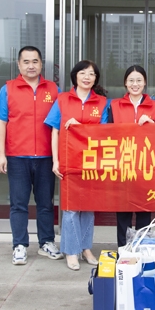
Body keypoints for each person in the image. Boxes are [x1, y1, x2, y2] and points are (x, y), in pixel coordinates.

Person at [0, 46, 63, 265]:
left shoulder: (53, 89)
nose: (31, 66)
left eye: (35, 61)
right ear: (19, 64)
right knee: (19, 204)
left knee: (46, 203)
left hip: (45, 157)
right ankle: (19, 245)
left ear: (41, 64)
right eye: (26, 62)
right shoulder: (8, 89)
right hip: (17, 157)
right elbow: (0, 123)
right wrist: (1, 155)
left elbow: (61, 123)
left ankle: (46, 242)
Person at [45, 60, 108, 271]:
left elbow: (104, 133)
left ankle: (85, 248)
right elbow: (55, 130)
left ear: (95, 79)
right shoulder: (62, 99)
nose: (87, 77)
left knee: (88, 206)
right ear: (75, 76)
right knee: (71, 207)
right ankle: (71, 250)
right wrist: (56, 160)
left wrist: (80, 127)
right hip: (68, 160)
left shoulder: (102, 102)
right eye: (83, 73)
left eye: (91, 74)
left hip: (92, 161)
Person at [108, 65, 155, 247]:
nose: (135, 84)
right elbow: (105, 133)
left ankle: (142, 250)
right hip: (122, 164)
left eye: (139, 80)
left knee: (144, 212)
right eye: (131, 80)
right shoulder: (114, 105)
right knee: (122, 212)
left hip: (146, 166)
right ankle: (123, 250)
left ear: (145, 82)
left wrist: (152, 124)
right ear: (125, 83)